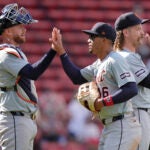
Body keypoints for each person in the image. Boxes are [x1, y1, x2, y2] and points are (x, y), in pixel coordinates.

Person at [49, 23, 141, 150]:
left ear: (104, 40)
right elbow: (76, 77)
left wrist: (102, 102)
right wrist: (61, 51)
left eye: (93, 37)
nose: (88, 40)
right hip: (110, 126)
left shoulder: (115, 60)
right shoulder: (98, 64)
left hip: (122, 125)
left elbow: (131, 89)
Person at [0, 3, 57, 150]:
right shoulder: (6, 54)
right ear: (6, 31)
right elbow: (33, 73)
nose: (24, 29)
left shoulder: (13, 52)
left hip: (22, 119)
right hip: (14, 120)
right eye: (19, 26)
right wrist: (52, 51)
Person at [114, 12, 150, 150]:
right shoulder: (128, 57)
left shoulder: (119, 55)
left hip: (129, 115)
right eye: (138, 29)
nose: (142, 33)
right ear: (126, 32)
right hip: (138, 112)